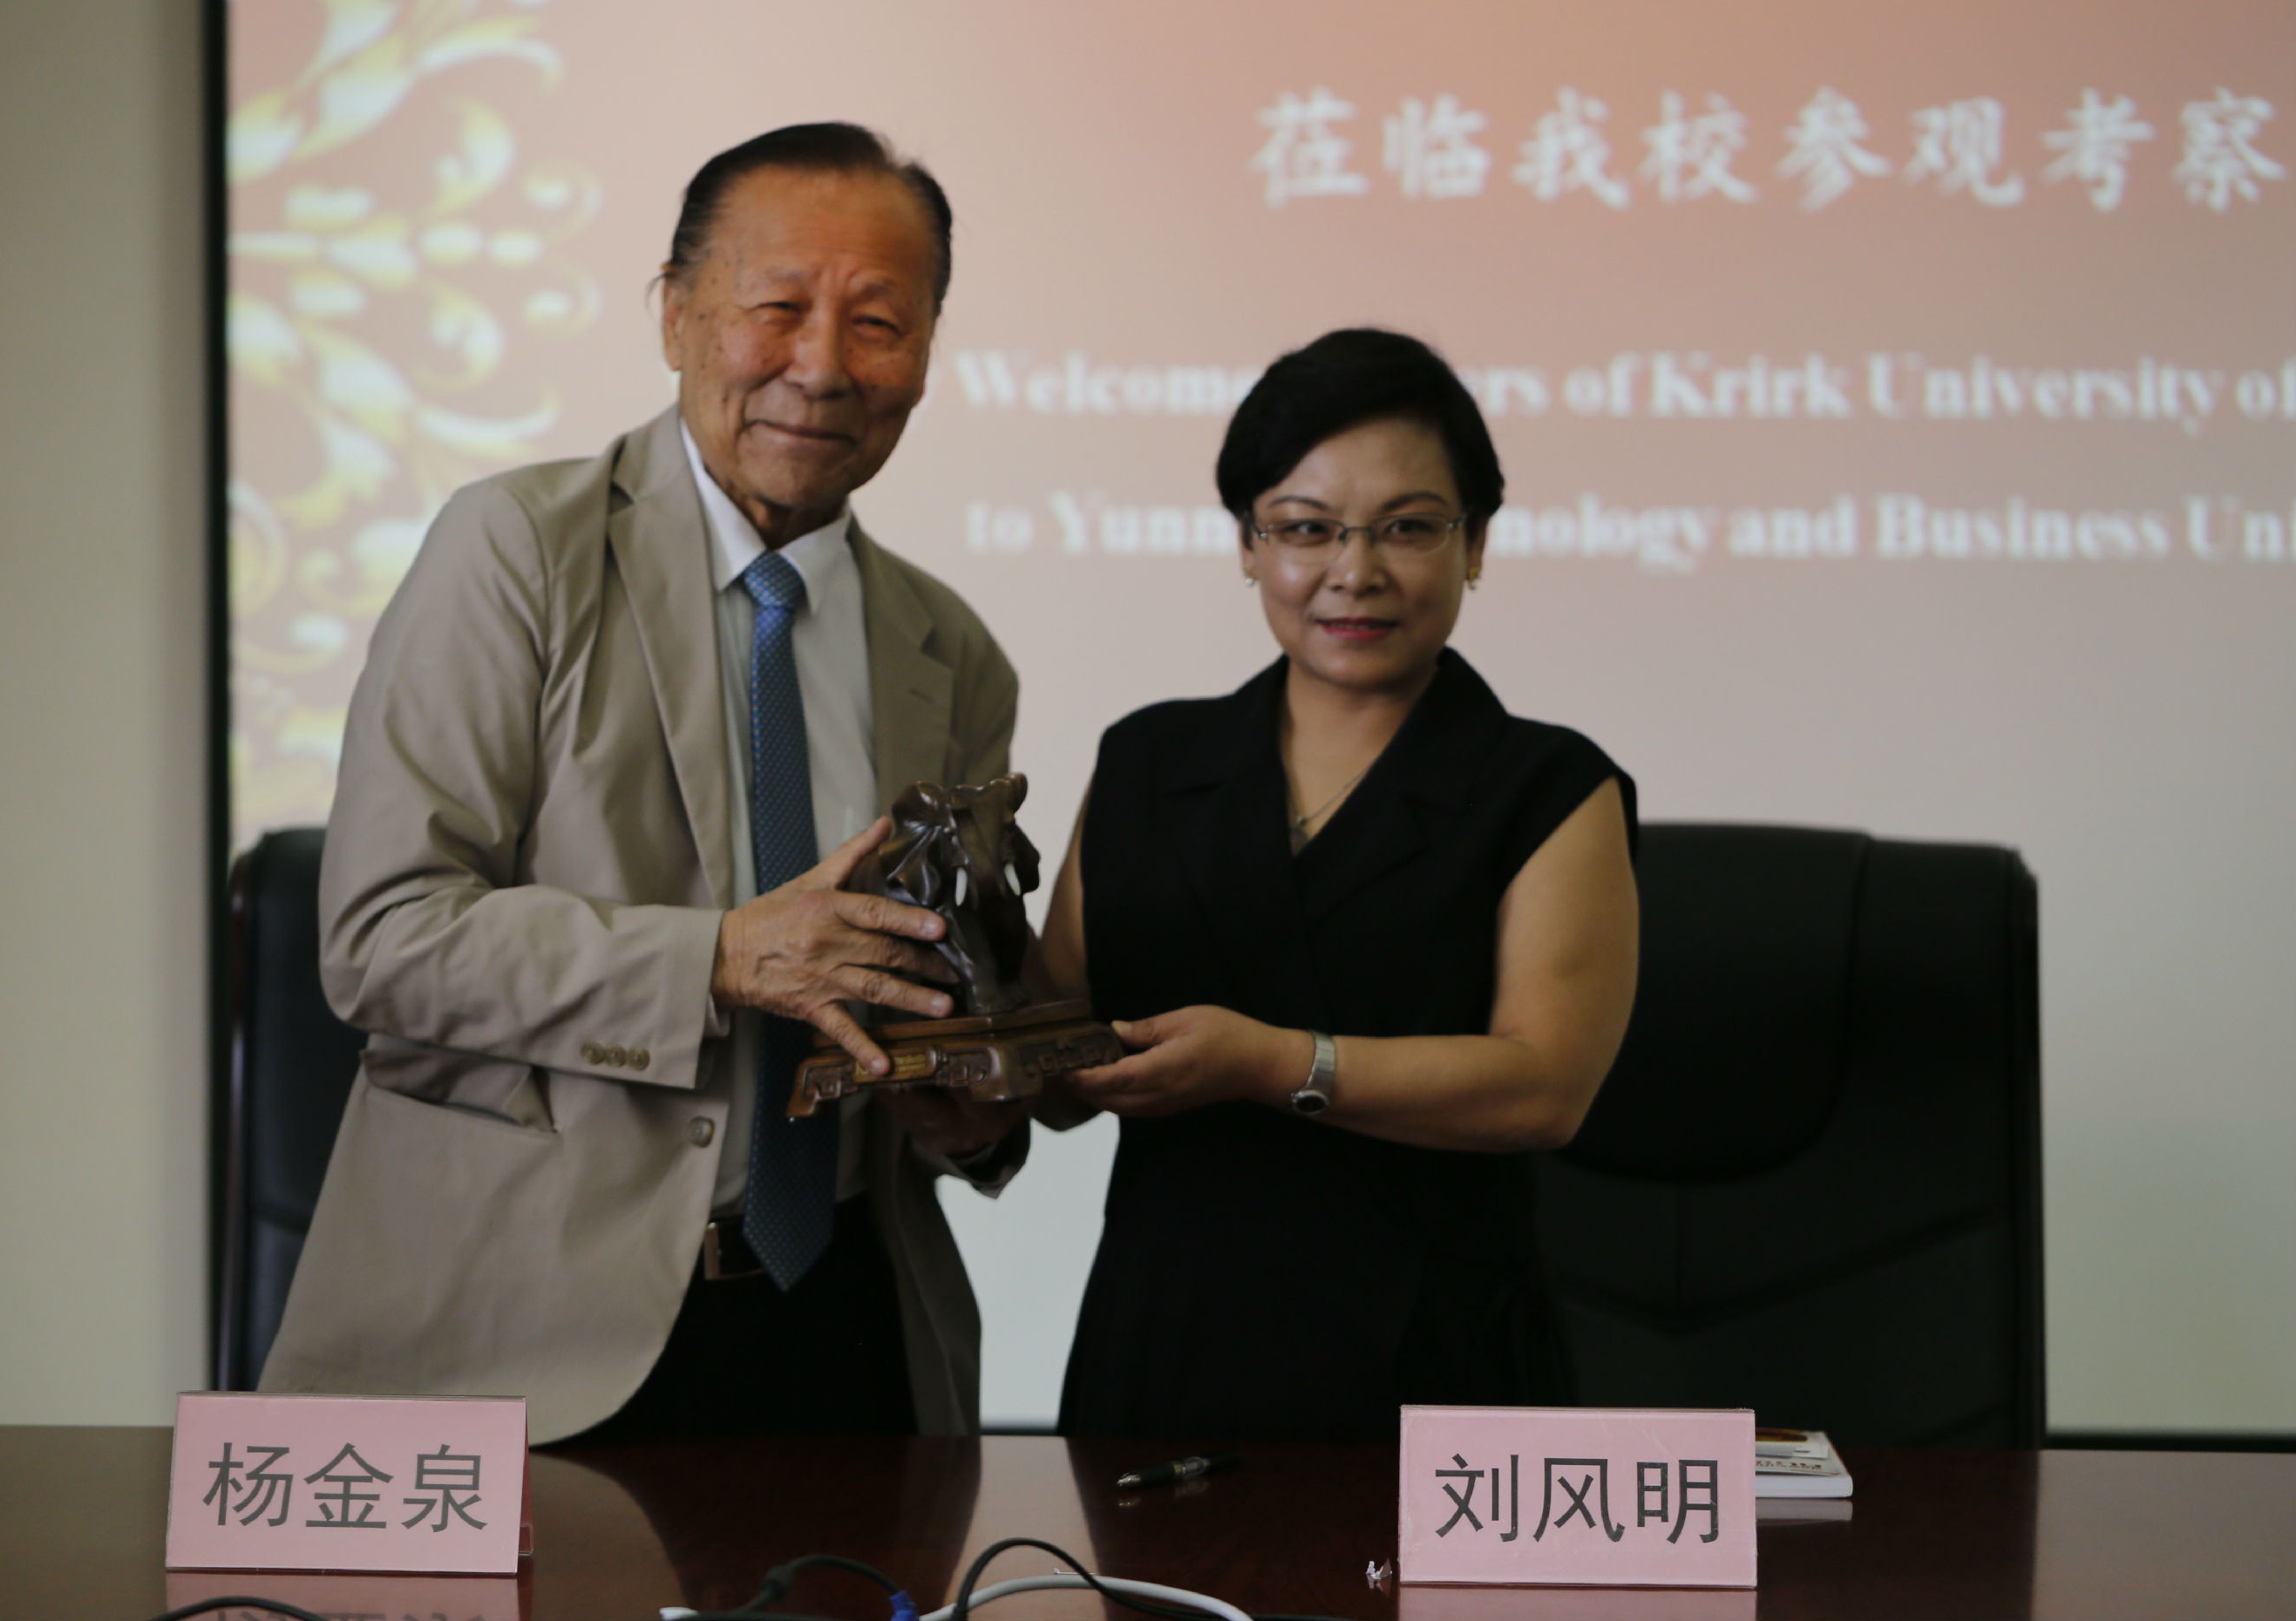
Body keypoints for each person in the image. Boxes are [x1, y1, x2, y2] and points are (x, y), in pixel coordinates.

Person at [261, 124, 1030, 1443]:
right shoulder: (517, 552)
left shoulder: (949, 651)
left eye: (878, 324)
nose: (822, 367)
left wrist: (969, 1112)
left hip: (849, 1335)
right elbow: (382, 937)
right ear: (674, 315)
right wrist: (720, 961)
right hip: (524, 1338)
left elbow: (949, 1008)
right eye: (777, 308)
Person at [1040, 328, 1640, 1440]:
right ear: (1247, 543)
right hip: (1164, 1344)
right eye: (1305, 528)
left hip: (1435, 1361)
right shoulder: (1147, 762)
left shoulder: (1548, 785)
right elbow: (1061, 1054)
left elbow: (1542, 1088)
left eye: (1406, 527)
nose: (1353, 572)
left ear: (1474, 544)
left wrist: (1268, 1062)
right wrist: (949, 1081)